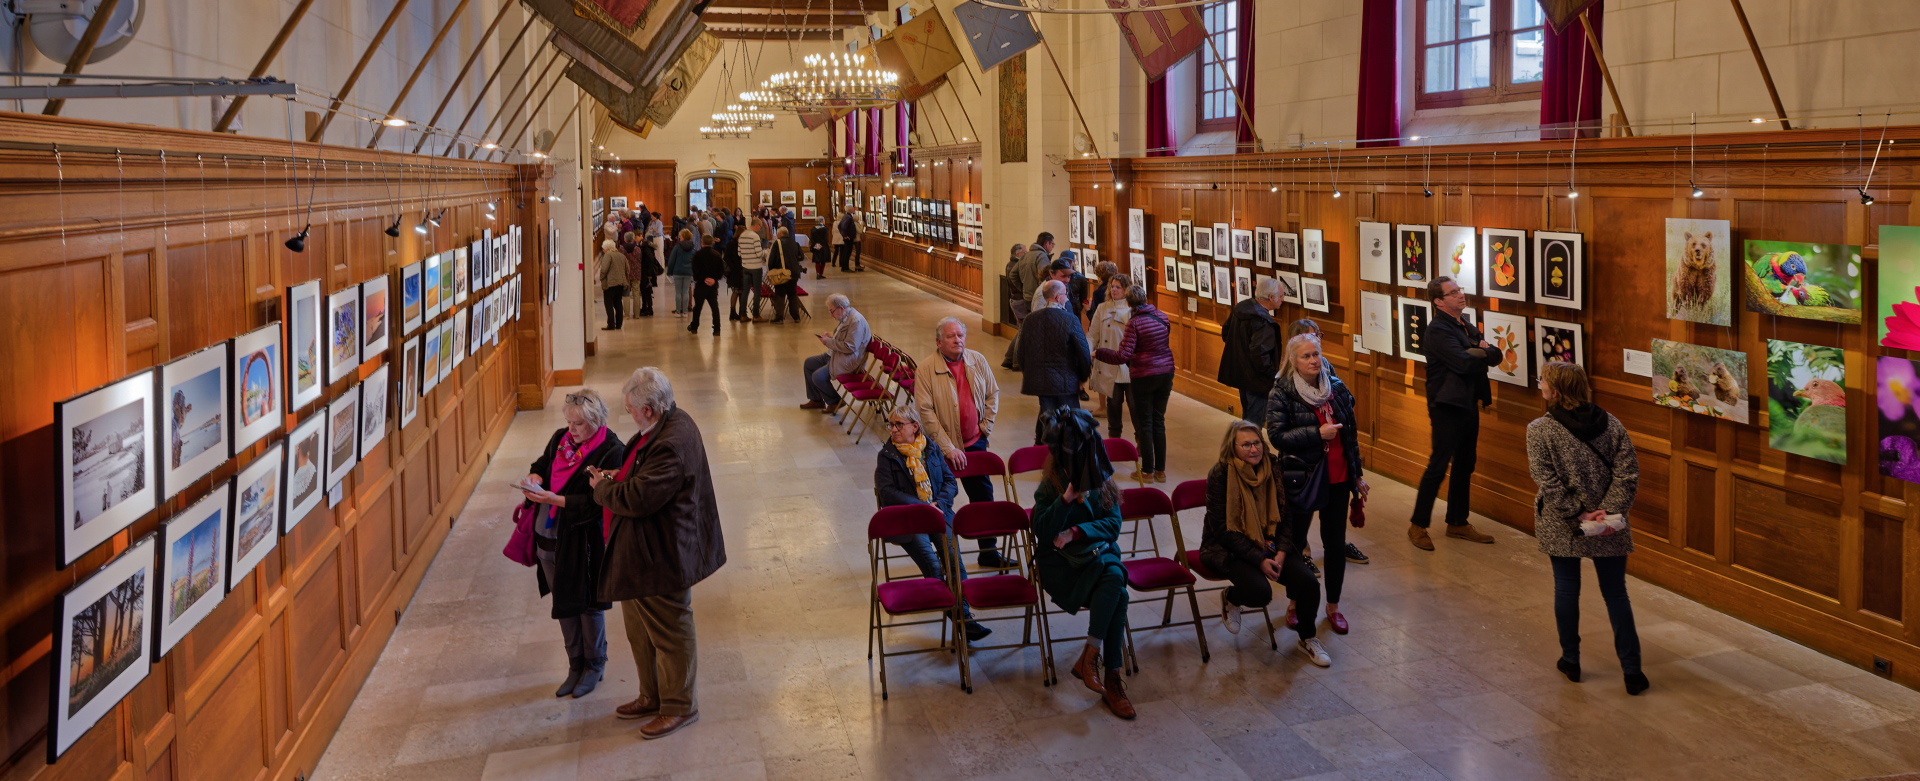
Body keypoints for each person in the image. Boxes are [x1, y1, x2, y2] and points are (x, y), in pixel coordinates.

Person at [590, 368, 727, 740]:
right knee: (640, 630)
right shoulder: (667, 422)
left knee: (670, 633)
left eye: (631, 408)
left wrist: (602, 489)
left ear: (649, 409)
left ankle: (680, 706)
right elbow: (644, 475)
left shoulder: (672, 440)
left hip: (663, 557)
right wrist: (625, 472)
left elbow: (637, 498)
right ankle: (652, 695)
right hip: (643, 556)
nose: (628, 414)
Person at [1527, 361, 1647, 695]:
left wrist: (1580, 514)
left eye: (1543, 381)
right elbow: (1628, 473)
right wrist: (1607, 511)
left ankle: (1572, 661)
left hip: (1563, 524)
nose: (1540, 386)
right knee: (1616, 594)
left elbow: (1546, 480)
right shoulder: (1613, 424)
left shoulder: (1540, 429)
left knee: (1566, 589)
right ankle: (1633, 670)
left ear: (1556, 389)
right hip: (1610, 525)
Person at [520, 390, 627, 698]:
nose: (571, 430)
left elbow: (599, 503)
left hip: (583, 542)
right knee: (564, 604)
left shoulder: (612, 451)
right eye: (568, 422)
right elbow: (542, 463)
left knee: (588, 605)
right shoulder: (560, 439)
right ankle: (574, 665)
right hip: (549, 540)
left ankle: (595, 665)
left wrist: (558, 500)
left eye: (578, 424)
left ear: (597, 421)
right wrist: (535, 478)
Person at [1030, 408, 1135, 719]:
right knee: (1119, 589)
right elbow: (1043, 532)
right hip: (1063, 566)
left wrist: (1076, 531)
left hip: (1097, 555)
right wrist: (1065, 499)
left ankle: (1093, 659)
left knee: (1114, 579)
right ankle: (1110, 678)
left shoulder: (1101, 479)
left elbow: (1113, 525)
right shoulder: (1050, 484)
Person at [1200, 419, 1330, 667]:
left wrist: (1281, 551)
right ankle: (1232, 598)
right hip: (1229, 547)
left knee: (1308, 584)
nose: (1253, 449)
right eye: (1246, 444)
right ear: (1232, 447)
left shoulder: (1273, 467)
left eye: (1257, 443)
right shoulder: (1221, 473)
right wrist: (1259, 560)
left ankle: (1308, 638)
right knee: (1260, 593)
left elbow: (1285, 515)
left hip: (1269, 544)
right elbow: (1223, 529)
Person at [1266, 333, 1368, 637]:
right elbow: (1276, 437)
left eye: (1317, 354)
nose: (1314, 361)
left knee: (1335, 544)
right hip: (1303, 478)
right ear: (1292, 361)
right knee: (1295, 544)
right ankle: (1295, 603)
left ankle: (1333, 607)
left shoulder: (1336, 388)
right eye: (1306, 356)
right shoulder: (1281, 391)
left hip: (1338, 478)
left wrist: (1357, 475)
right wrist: (1316, 433)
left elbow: (1350, 436)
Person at [874, 405, 992, 642]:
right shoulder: (887, 455)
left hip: (938, 514)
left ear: (915, 427)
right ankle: (963, 620)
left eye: (899, 425)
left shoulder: (931, 448)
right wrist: (921, 507)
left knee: (953, 561)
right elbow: (886, 493)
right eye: (891, 424)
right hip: (910, 521)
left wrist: (938, 503)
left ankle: (964, 615)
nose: (893, 429)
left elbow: (950, 482)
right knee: (934, 568)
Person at [1410, 276, 1500, 549]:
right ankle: (1417, 525)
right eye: (1452, 293)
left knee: (1465, 464)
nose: (1460, 295)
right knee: (1438, 465)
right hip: (1446, 406)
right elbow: (1463, 363)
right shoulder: (1438, 330)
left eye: (1459, 290)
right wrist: (1480, 351)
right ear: (1439, 301)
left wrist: (1482, 351)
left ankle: (1457, 522)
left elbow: (1496, 355)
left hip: (1468, 403)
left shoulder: (1464, 324)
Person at [913, 317, 1007, 568]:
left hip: (975, 442)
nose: (958, 340)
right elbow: (925, 413)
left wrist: (985, 427)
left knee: (983, 498)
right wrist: (948, 447)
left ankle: (988, 551)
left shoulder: (977, 360)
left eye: (961, 336)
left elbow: (992, 394)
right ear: (939, 341)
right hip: (941, 448)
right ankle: (944, 557)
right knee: (940, 501)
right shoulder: (925, 369)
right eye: (951, 336)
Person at [1284, 318, 1369, 569]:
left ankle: (1336, 546)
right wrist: (1316, 433)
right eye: (1309, 336)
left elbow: (1346, 405)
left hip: (1336, 461)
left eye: (1317, 335)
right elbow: (1281, 433)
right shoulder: (1285, 385)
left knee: (1333, 518)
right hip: (1306, 463)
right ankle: (1303, 555)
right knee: (1303, 513)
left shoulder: (1326, 367)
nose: (1316, 340)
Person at [1093, 285, 1173, 482]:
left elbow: (1123, 356)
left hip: (1144, 375)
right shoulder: (1162, 316)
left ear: (1128, 303)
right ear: (1145, 298)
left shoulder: (1134, 323)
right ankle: (1160, 471)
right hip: (1166, 373)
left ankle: (1146, 471)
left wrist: (1100, 352)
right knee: (1158, 421)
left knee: (1145, 423)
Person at [1017, 280, 1092, 443]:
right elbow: (1084, 352)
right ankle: (1067, 456)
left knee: (1047, 416)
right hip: (1067, 380)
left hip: (1041, 381)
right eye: (1065, 294)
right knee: (1070, 420)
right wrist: (1083, 376)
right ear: (1058, 297)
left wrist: (1030, 373)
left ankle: (1043, 451)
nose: (1066, 298)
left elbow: (1021, 352)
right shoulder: (1070, 319)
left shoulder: (1030, 319)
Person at [1220, 277, 1284, 424]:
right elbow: (1259, 353)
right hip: (1257, 381)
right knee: (1255, 422)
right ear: (1270, 297)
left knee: (1247, 415)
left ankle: (1243, 444)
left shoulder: (1240, 308)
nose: (1282, 300)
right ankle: (1249, 445)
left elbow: (1226, 333)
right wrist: (1271, 377)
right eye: (1280, 296)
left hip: (1241, 376)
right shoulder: (1262, 321)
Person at [801, 293, 870, 415]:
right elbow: (844, 341)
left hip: (849, 361)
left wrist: (829, 342)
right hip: (837, 354)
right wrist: (831, 339)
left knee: (818, 376)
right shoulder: (845, 317)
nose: (831, 315)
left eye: (832, 311)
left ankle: (835, 401)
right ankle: (817, 400)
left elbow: (850, 347)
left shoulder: (856, 321)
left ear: (841, 308)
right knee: (809, 363)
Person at [1086, 274, 1132, 437]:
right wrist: (1087, 352)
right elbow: (1093, 335)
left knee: (1135, 408)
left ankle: (1141, 441)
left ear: (1126, 289)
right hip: (1109, 364)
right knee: (1113, 407)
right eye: (1112, 286)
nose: (1113, 289)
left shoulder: (1132, 309)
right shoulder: (1102, 308)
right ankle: (1114, 441)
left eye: (1118, 287)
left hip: (1128, 366)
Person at [765, 227, 804, 324]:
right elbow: (801, 256)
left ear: (780, 234)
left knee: (780, 295)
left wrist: (771, 270)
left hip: (782, 273)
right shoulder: (794, 243)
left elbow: (771, 260)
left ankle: (779, 317)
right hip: (794, 273)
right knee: (792, 295)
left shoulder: (777, 243)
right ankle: (796, 316)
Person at [687, 236, 724, 336]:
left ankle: (694, 327)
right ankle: (717, 329)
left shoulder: (697, 255)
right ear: (712, 243)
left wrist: (704, 278)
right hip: (713, 286)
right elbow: (721, 270)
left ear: (702, 242)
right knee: (714, 307)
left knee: (697, 307)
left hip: (701, 285)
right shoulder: (717, 255)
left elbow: (695, 270)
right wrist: (714, 279)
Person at [736, 217, 767, 321]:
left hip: (745, 266)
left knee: (745, 291)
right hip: (756, 267)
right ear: (757, 225)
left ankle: (743, 315)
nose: (760, 228)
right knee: (757, 291)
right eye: (760, 226)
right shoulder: (755, 236)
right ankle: (756, 315)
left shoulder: (742, 235)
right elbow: (759, 254)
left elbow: (739, 253)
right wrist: (766, 252)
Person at [596, 239, 629, 331]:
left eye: (604, 248)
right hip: (621, 283)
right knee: (618, 303)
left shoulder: (608, 255)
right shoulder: (621, 255)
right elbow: (628, 269)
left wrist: (601, 278)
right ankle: (619, 324)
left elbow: (604, 270)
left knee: (608, 304)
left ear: (607, 248)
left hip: (609, 284)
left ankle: (611, 324)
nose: (603, 250)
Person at [665, 229, 696, 317]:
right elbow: (694, 260)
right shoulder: (692, 247)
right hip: (688, 272)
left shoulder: (677, 247)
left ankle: (678, 311)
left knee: (678, 292)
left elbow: (672, 260)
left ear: (682, 237)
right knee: (685, 291)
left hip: (678, 271)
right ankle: (685, 311)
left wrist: (669, 271)